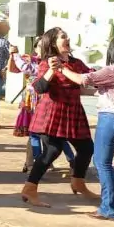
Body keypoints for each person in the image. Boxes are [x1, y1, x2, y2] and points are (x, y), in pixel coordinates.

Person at [56, 37, 114, 219]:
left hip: (112, 120)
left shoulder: (112, 70)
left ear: (113, 51)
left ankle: (108, 208)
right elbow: (94, 87)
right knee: (105, 163)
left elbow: (83, 79)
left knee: (101, 163)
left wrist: (61, 68)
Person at [20, 27, 96, 208]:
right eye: (63, 37)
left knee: (86, 148)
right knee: (52, 151)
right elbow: (39, 88)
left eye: (67, 36)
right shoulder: (47, 63)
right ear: (53, 43)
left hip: (74, 112)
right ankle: (30, 189)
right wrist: (51, 71)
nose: (67, 39)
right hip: (52, 113)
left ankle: (78, 182)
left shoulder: (76, 63)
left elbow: (88, 78)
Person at [9, 40, 74, 173]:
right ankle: (35, 163)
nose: (42, 48)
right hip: (31, 101)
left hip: (47, 101)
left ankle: (56, 162)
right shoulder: (31, 59)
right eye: (39, 46)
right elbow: (14, 68)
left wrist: (15, 54)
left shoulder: (50, 62)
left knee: (52, 135)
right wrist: (12, 56)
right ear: (35, 48)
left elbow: (28, 69)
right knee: (35, 134)